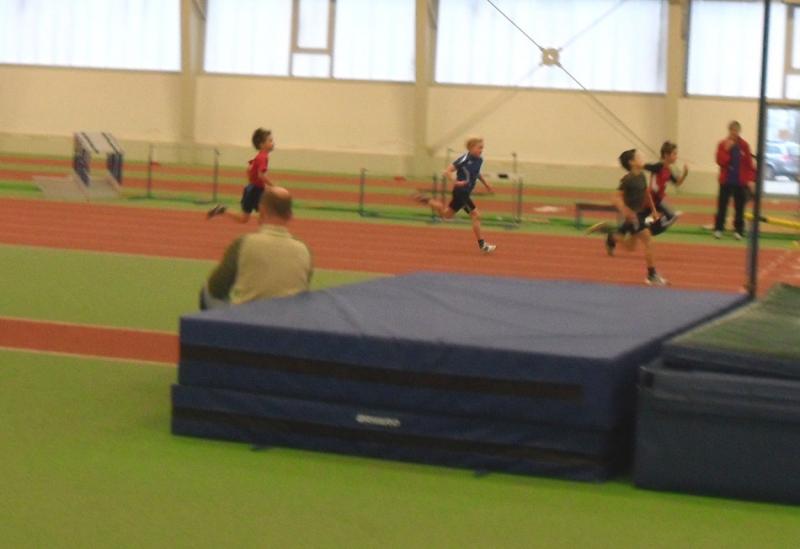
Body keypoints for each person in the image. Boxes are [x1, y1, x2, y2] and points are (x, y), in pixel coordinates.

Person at [200, 186, 313, 309]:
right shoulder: (304, 251)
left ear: (261, 210)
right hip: (289, 318)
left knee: (207, 293)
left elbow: (216, 289)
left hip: (249, 318)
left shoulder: (244, 243)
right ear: (290, 215)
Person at [587, 149, 668, 286]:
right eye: (638, 157)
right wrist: (625, 211)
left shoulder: (642, 176)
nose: (642, 158)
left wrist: (654, 210)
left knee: (630, 247)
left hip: (640, 215)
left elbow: (647, 193)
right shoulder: (628, 179)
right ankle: (652, 275)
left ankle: (609, 233)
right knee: (648, 240)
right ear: (632, 162)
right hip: (633, 217)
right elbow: (615, 198)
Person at [414, 137, 497, 253]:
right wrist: (455, 181)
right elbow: (447, 171)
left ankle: (429, 201)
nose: (481, 150)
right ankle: (482, 245)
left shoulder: (479, 160)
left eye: (482, 148)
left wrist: (486, 184)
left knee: (446, 215)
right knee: (476, 215)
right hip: (461, 192)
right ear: (471, 148)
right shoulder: (464, 159)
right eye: (479, 148)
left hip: (464, 193)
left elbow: (476, 173)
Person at [207, 127, 275, 223]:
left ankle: (222, 210)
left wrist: (253, 182)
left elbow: (249, 169)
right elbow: (261, 175)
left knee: (246, 218)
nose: (273, 143)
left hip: (253, 189)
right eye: (270, 141)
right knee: (262, 215)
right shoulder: (263, 157)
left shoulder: (260, 156)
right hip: (256, 191)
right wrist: (273, 186)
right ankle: (222, 210)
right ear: (262, 144)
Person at [714, 121, 755, 240]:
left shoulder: (744, 145)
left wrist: (751, 180)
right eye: (732, 130)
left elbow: (749, 164)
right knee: (722, 206)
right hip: (726, 180)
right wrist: (727, 150)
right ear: (729, 131)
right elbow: (720, 161)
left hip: (740, 181)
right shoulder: (722, 144)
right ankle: (719, 229)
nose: (734, 133)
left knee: (739, 207)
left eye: (736, 131)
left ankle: (738, 230)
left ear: (739, 131)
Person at [643, 141, 688, 236]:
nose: (676, 157)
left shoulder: (668, 169)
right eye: (674, 154)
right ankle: (649, 225)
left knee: (671, 216)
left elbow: (677, 183)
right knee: (671, 216)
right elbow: (646, 166)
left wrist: (685, 174)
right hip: (651, 198)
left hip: (659, 199)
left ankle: (650, 226)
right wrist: (637, 163)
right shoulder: (659, 166)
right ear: (666, 155)